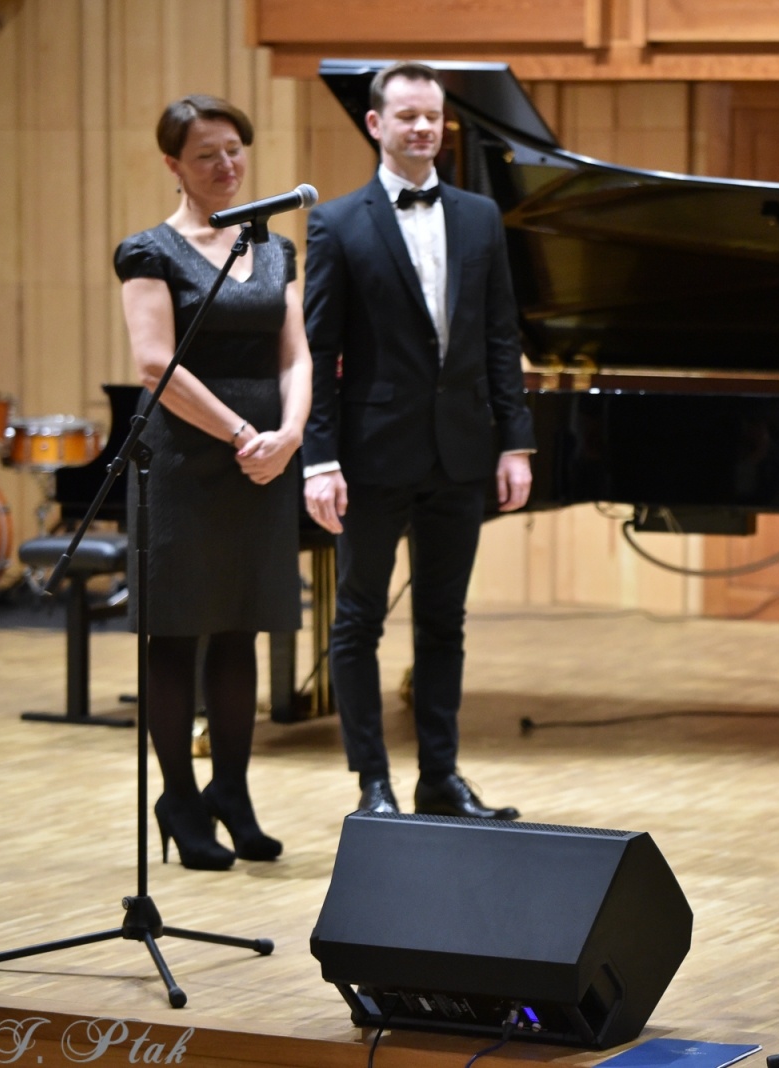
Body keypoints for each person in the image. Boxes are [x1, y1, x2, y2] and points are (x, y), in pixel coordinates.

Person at [302, 61, 535, 819]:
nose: (422, 129)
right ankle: (373, 783)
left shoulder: (478, 217)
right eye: (406, 116)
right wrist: (321, 458)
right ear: (376, 124)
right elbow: (318, 352)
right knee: (358, 621)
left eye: (432, 117)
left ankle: (441, 776)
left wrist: (516, 441)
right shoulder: (336, 223)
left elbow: (502, 336)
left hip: (461, 452)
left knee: (445, 621)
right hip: (371, 455)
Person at [115, 95, 311, 870]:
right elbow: (154, 362)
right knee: (178, 633)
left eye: (234, 150)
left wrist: (289, 436)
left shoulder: (275, 247)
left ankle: (232, 790)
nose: (226, 166)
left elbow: (294, 354)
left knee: (241, 626)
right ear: (173, 166)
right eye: (206, 156)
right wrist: (239, 434)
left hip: (265, 456)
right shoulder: (148, 251)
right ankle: (179, 797)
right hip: (190, 461)